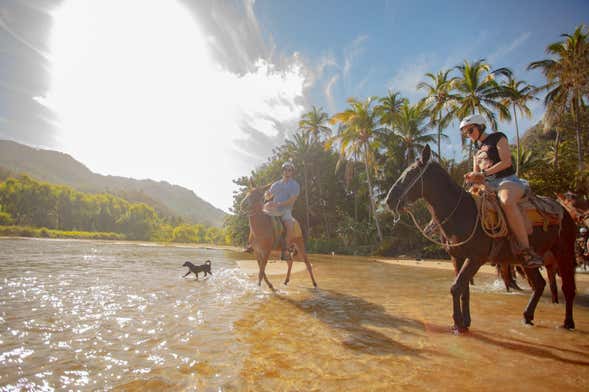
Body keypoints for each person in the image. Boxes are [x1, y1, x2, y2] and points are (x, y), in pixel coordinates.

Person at [460, 114, 543, 268]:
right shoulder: (476, 151)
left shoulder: (498, 137)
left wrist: (483, 174)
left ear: (480, 126)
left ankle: (527, 250)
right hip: (487, 185)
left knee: (506, 201)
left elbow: (506, 162)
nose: (468, 135)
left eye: (470, 130)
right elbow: (477, 174)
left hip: (507, 181)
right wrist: (473, 178)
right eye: (465, 133)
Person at [264, 161, 301, 260]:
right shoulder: (276, 184)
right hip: (274, 208)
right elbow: (268, 197)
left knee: (289, 226)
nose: (287, 172)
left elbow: (292, 200)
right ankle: (252, 243)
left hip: (286, 209)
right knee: (260, 213)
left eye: (289, 170)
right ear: (282, 171)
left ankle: (286, 250)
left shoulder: (295, 185)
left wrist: (278, 204)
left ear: (292, 172)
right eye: (285, 170)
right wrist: (267, 194)